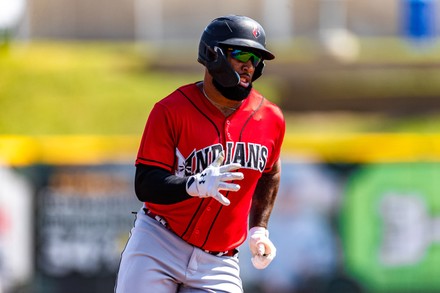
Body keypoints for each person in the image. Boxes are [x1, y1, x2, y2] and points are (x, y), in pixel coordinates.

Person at [115, 15, 285, 293]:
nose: (248, 65)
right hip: (159, 241)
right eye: (241, 53)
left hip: (218, 262)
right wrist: (194, 186)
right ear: (212, 55)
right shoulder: (171, 110)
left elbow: (271, 172)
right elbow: (145, 183)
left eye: (256, 58)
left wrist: (259, 229)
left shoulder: (270, 117)